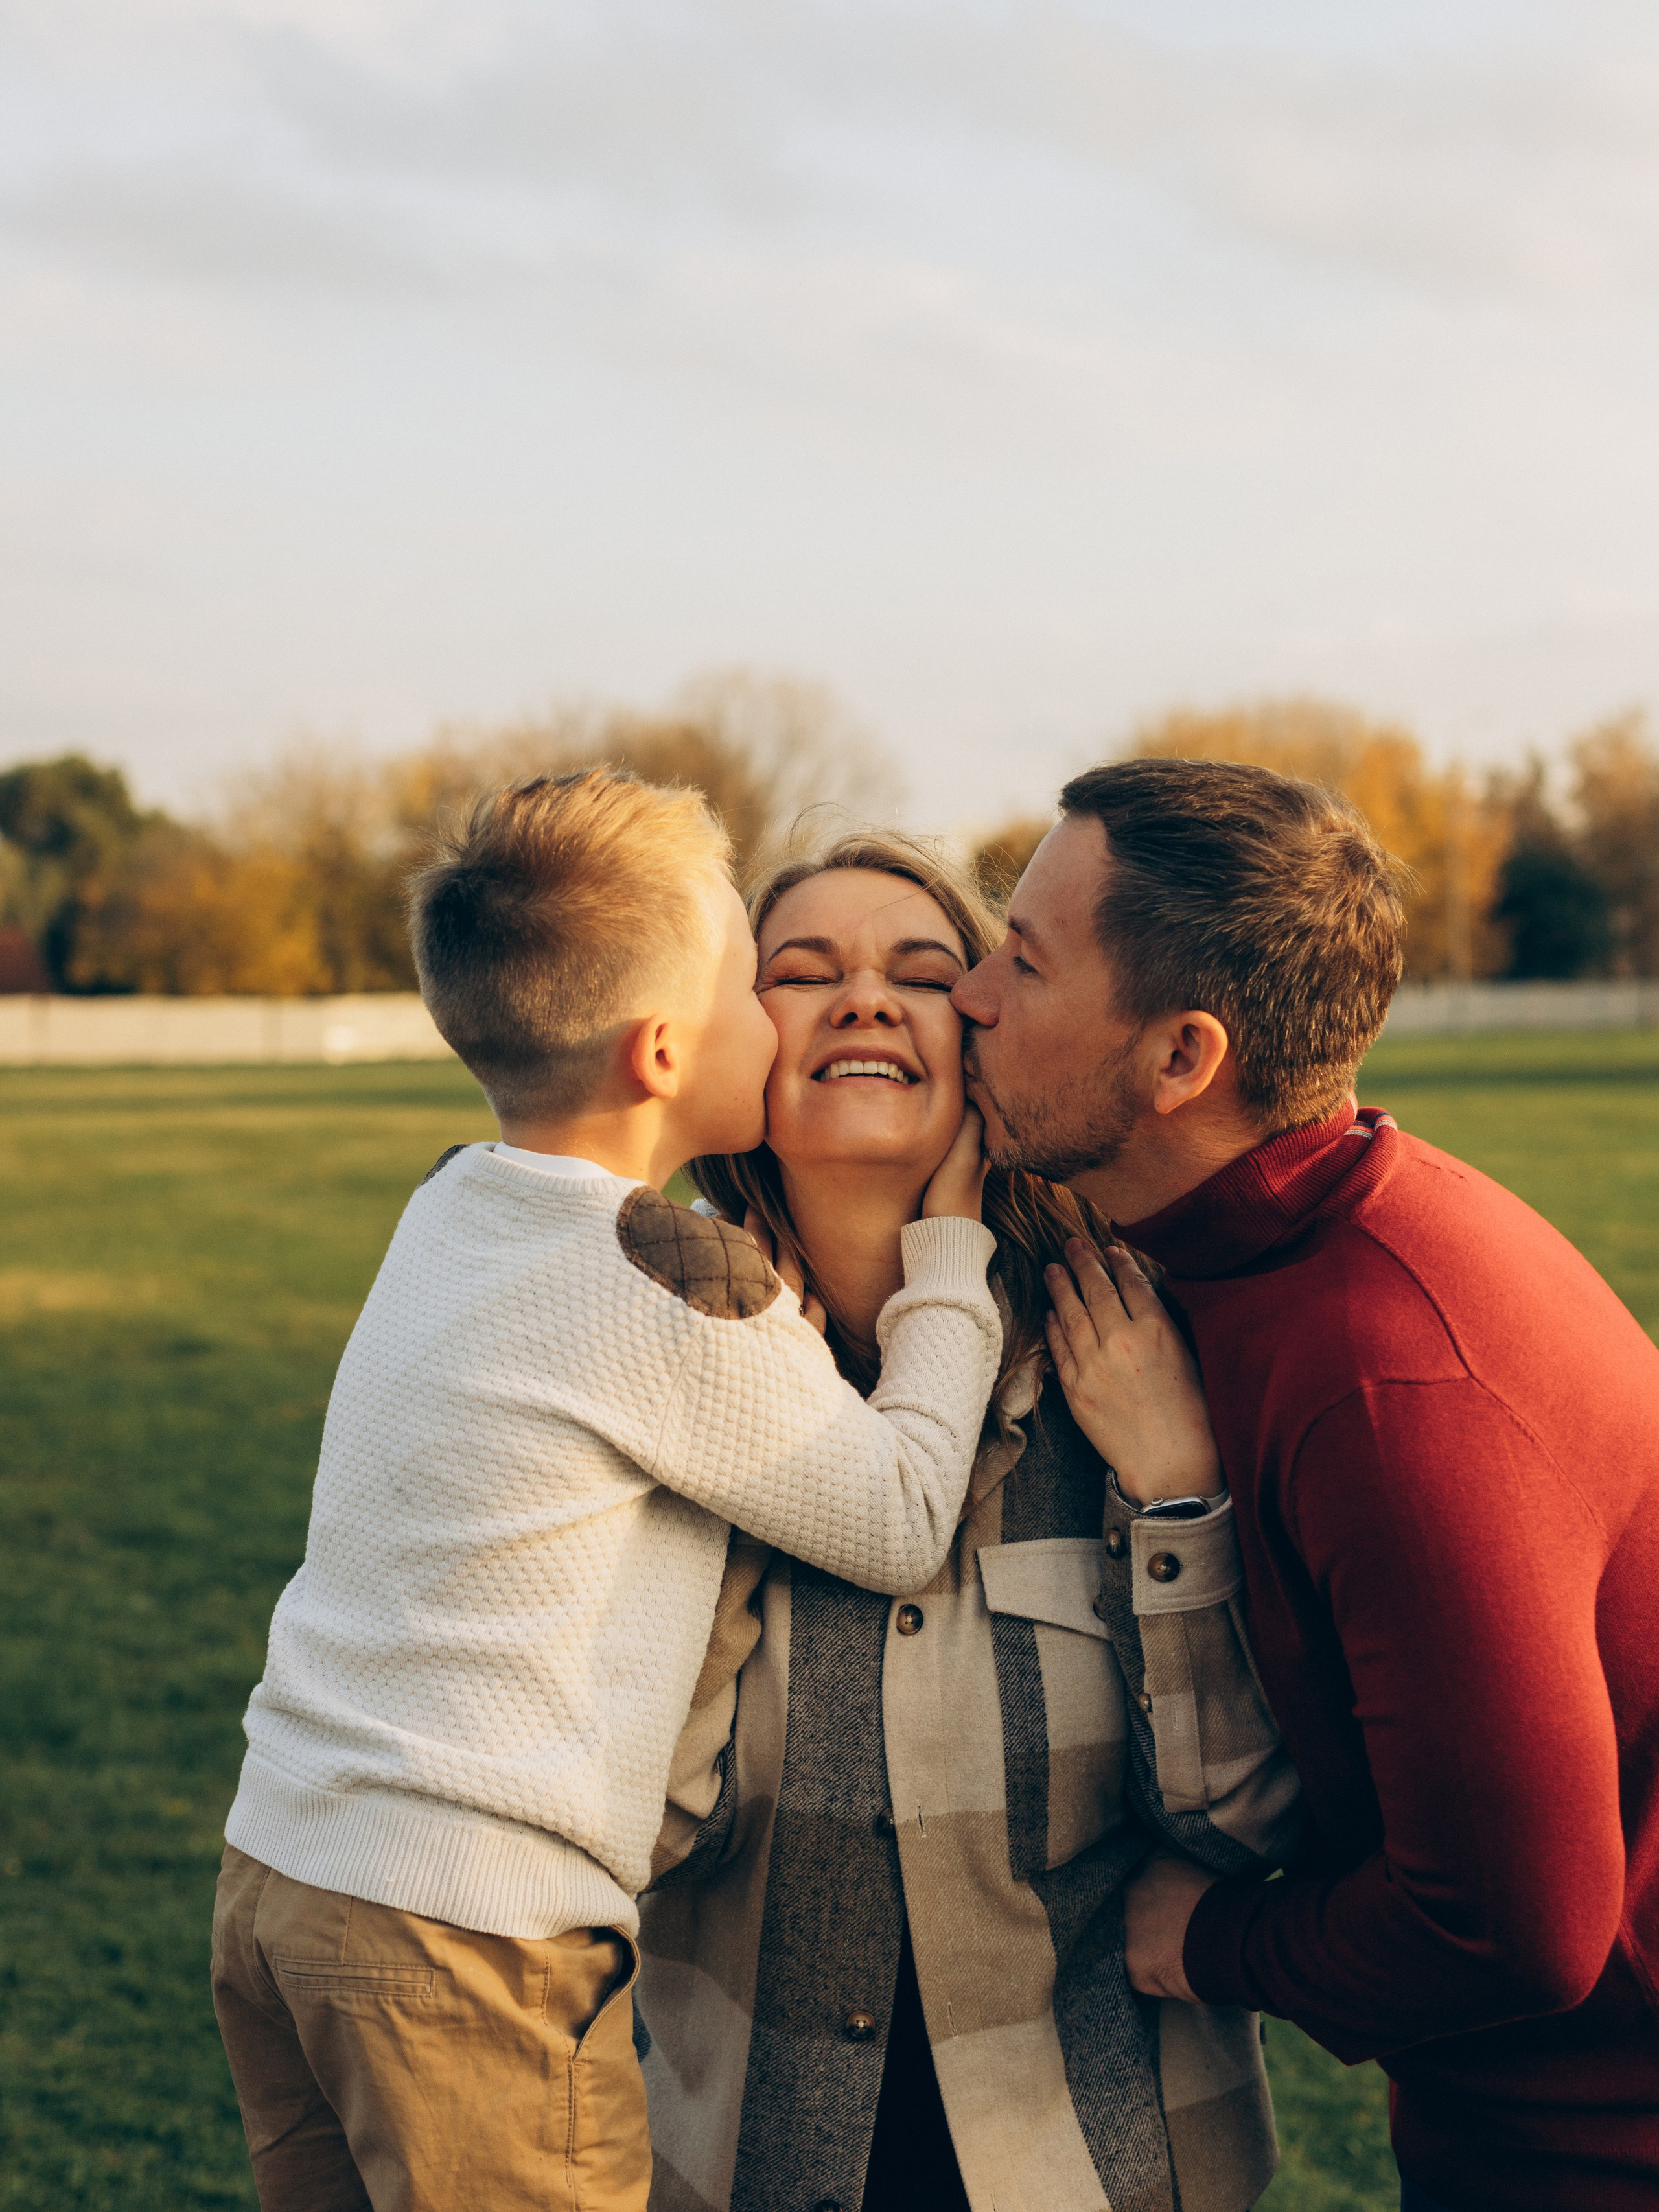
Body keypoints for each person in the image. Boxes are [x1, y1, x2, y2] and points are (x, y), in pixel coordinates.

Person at [209, 769, 1008, 2212]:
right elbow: (896, 1518)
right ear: (662, 1052)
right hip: (467, 1928)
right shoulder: (670, 1278)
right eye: (757, 986)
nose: (788, 1021)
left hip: (283, 1872)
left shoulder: (457, 1197)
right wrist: (948, 1257)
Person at [954, 754, 1659, 2212]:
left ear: (1177, 1059)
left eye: (1021, 962)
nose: (967, 992)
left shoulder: (1391, 1386)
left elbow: (1514, 1928)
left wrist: (1203, 1943)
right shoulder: (1252, 1244)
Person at [634, 832, 1302, 2212]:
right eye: (801, 973)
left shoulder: (1133, 1364)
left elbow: (1241, 1828)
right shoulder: (646, 1373)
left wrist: (1177, 1496)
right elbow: (633, 1831)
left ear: (989, 1030)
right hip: (746, 2163)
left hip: (1101, 2167)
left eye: (922, 973)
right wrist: (740, 1492)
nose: (863, 1000)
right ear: (724, 1041)